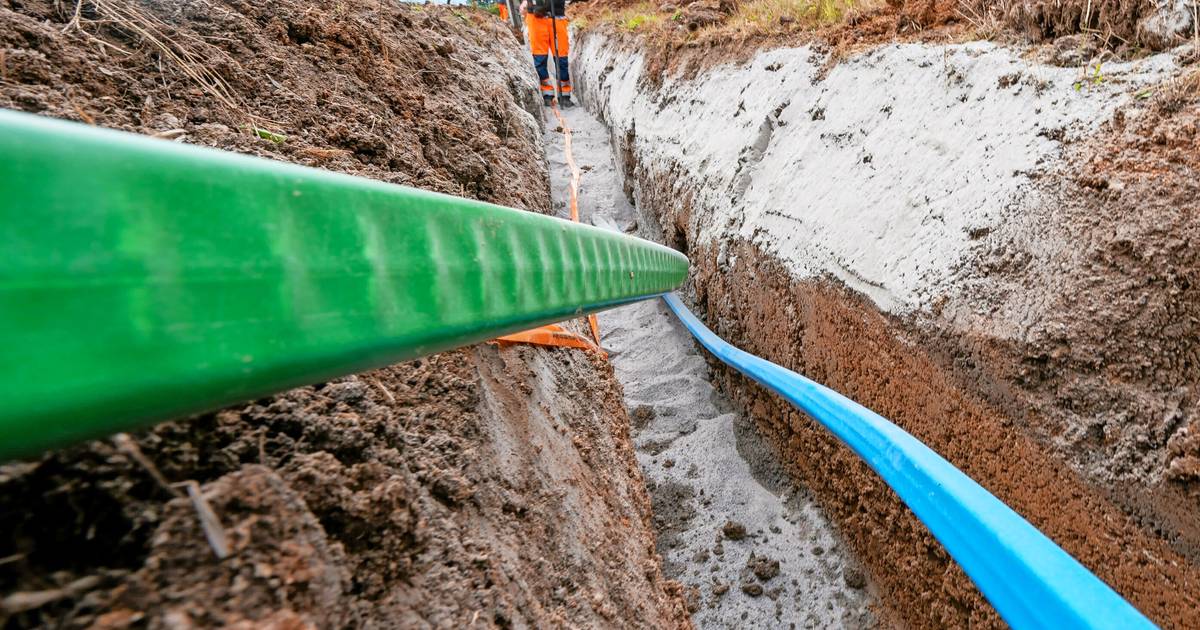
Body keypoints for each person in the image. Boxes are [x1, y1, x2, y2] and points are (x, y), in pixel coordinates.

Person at [521, 0, 572, 107]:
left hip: (557, 16)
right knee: (540, 59)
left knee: (561, 58)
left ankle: (565, 95)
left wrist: (547, 5)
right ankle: (547, 94)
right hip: (536, 18)